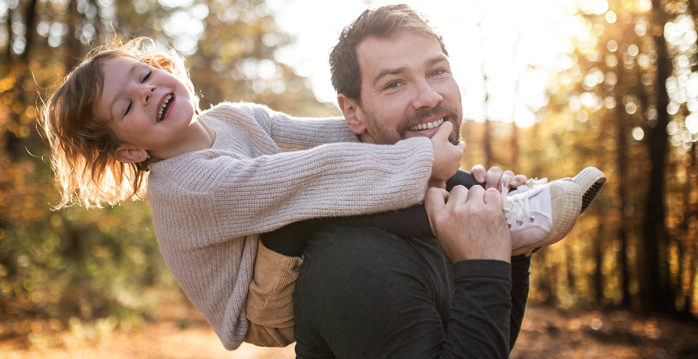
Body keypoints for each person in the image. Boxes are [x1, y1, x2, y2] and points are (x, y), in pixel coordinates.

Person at [39, 36, 531, 350]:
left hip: (276, 239)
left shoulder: (233, 117)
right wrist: (422, 160)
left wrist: (396, 132)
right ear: (128, 152)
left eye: (144, 76)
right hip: (258, 302)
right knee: (311, 202)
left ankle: (495, 205)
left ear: (162, 68)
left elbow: (325, 136)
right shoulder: (186, 185)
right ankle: (482, 217)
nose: (145, 91)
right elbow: (305, 177)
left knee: (339, 187)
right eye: (126, 106)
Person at [291, 4, 606, 358]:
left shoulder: (441, 215)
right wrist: (483, 266)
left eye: (437, 71)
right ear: (353, 112)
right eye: (394, 83)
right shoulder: (356, 259)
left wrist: (508, 248)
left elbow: (485, 345)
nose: (429, 97)